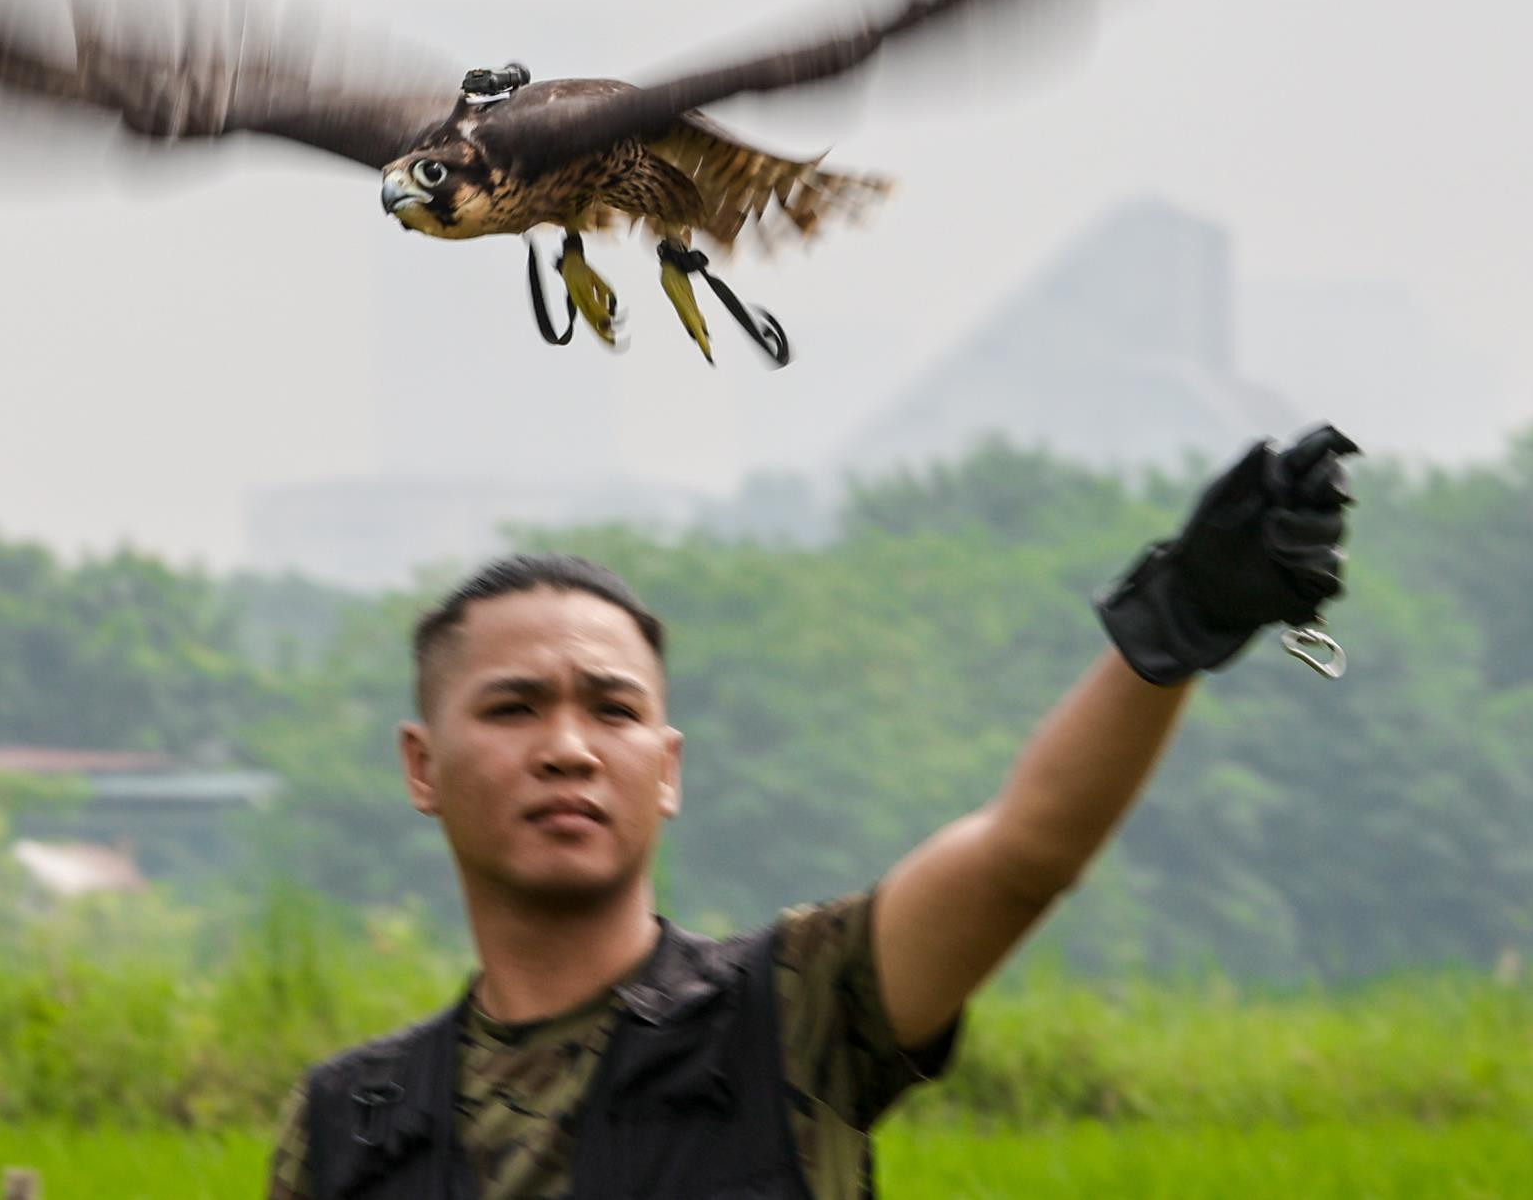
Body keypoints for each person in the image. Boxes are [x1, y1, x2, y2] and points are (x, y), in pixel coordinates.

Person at [265, 424, 1360, 1199]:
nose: (565, 747)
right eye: (512, 707)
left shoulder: (792, 1011)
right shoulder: (352, 1126)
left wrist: (1179, 622)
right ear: (421, 766)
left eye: (611, 709)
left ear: (667, 768)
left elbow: (1024, 851)